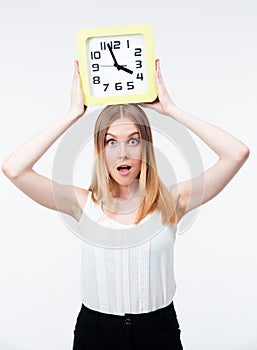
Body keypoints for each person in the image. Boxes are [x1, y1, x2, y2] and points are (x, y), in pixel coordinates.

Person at [2, 59, 249, 350]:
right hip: (96, 332)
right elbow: (14, 169)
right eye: (111, 142)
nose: (123, 153)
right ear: (100, 149)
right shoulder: (82, 203)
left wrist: (171, 110)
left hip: (158, 331)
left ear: (146, 146)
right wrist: (72, 115)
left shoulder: (172, 200)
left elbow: (237, 153)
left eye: (133, 141)